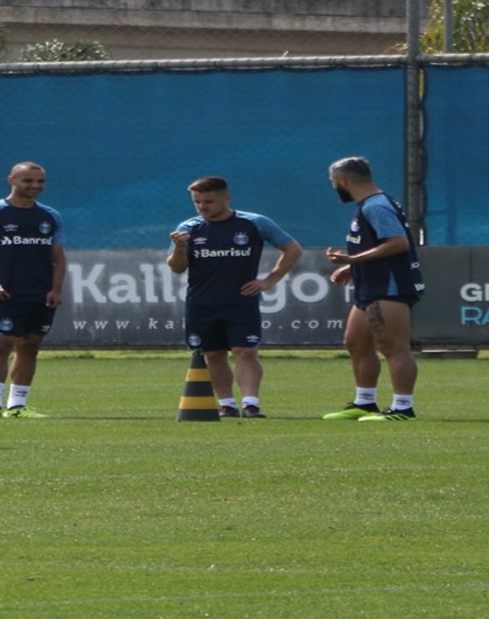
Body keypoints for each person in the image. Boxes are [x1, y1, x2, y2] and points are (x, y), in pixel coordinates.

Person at [167, 176, 303, 418]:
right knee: (213, 354)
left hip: (241, 300)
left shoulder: (254, 223)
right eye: (197, 202)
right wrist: (179, 248)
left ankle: (251, 404)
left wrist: (269, 280)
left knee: (245, 351)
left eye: (208, 201)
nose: (202, 207)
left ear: (226, 198)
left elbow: (292, 249)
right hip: (202, 302)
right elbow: (177, 267)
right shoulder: (188, 228)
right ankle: (227, 404)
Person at [322, 156, 425, 422]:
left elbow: (397, 243)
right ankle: (364, 402)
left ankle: (403, 408)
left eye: (335, 183)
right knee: (356, 342)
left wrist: (353, 260)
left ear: (344, 181)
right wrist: (352, 268)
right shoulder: (369, 205)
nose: (335, 188)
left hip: (389, 286)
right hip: (370, 286)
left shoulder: (376, 206)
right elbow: (377, 244)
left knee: (393, 346)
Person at [0, 161, 68, 419]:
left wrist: (55, 289)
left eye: (40, 182)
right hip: (6, 292)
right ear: (12, 180)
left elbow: (59, 257)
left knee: (30, 346)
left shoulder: (50, 216)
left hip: (40, 294)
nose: (35, 186)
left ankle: (17, 405)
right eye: (28, 181)